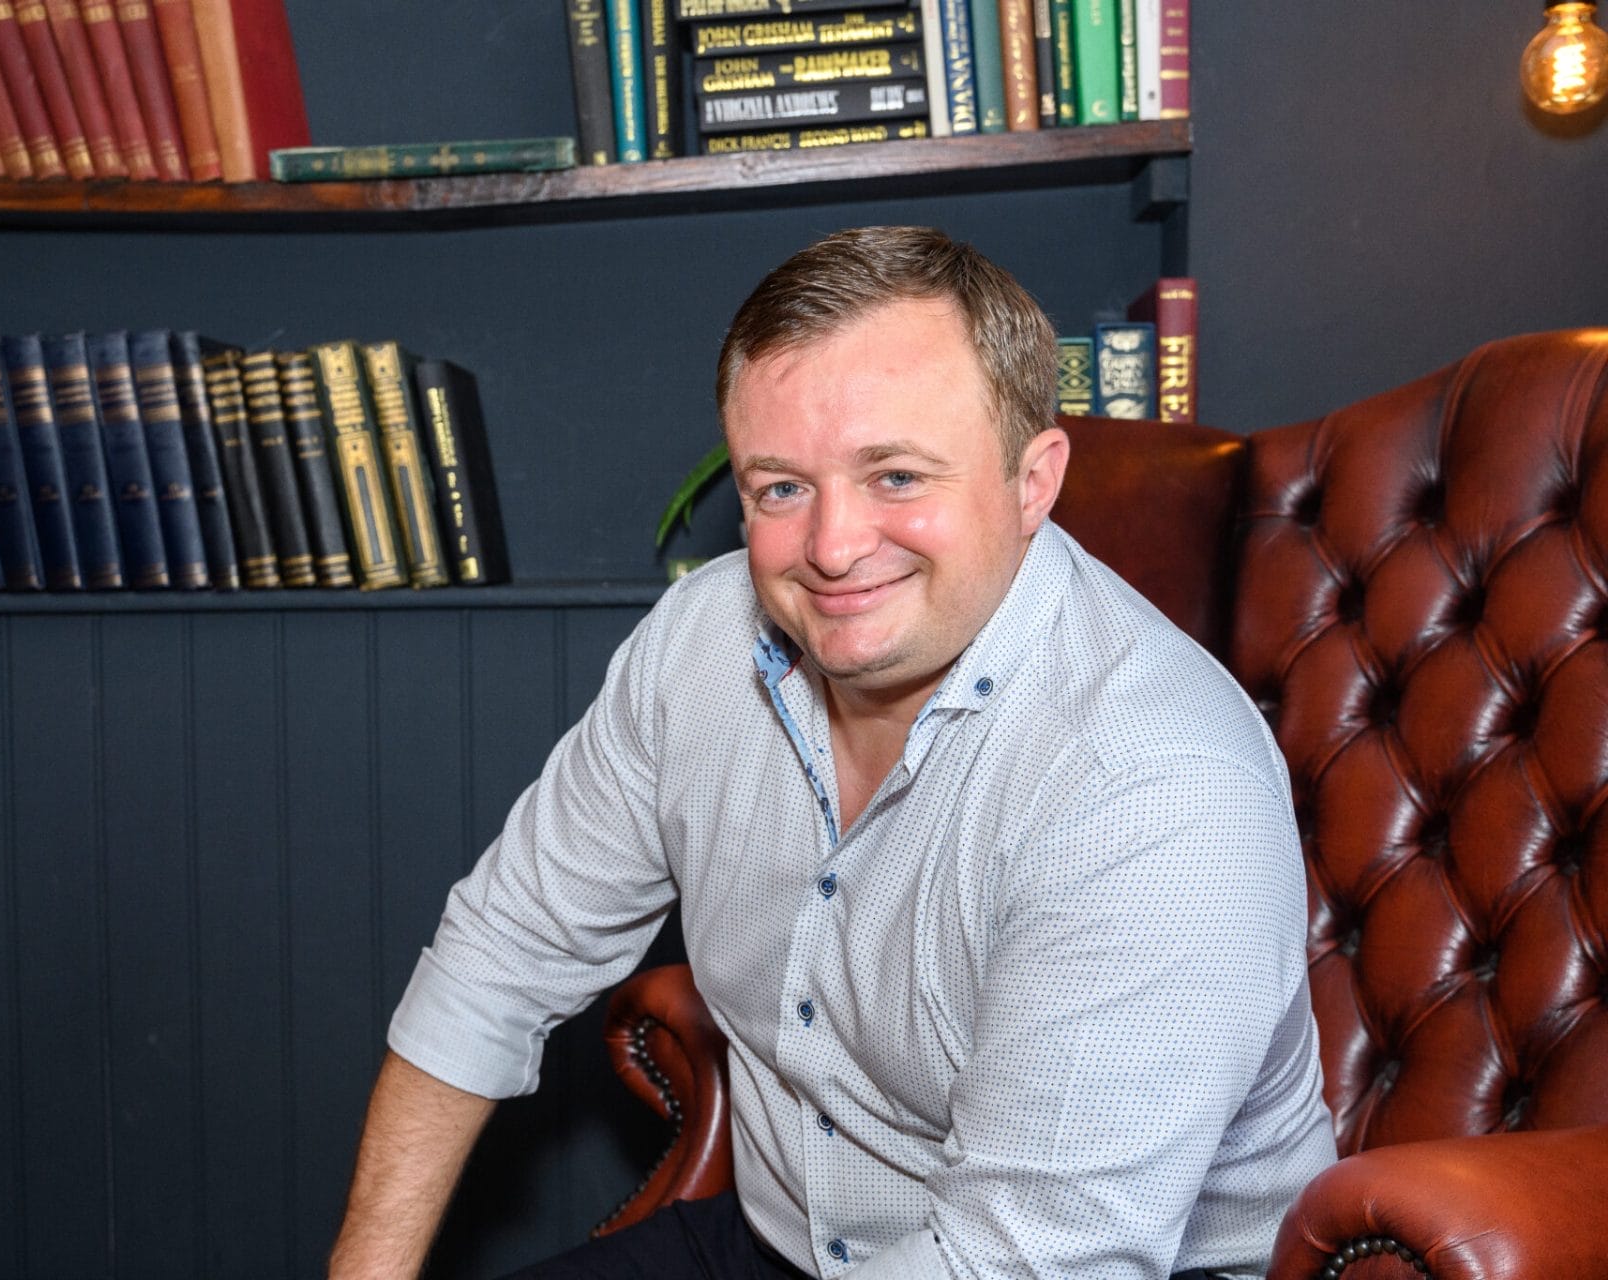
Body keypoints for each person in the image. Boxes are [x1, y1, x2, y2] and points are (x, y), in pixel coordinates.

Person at [327, 226, 1336, 1280]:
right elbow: (499, 955)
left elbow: (1027, 1261)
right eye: (780, 487)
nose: (834, 545)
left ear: (1034, 480)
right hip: (789, 1243)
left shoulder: (1153, 783)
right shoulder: (701, 644)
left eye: (896, 474)